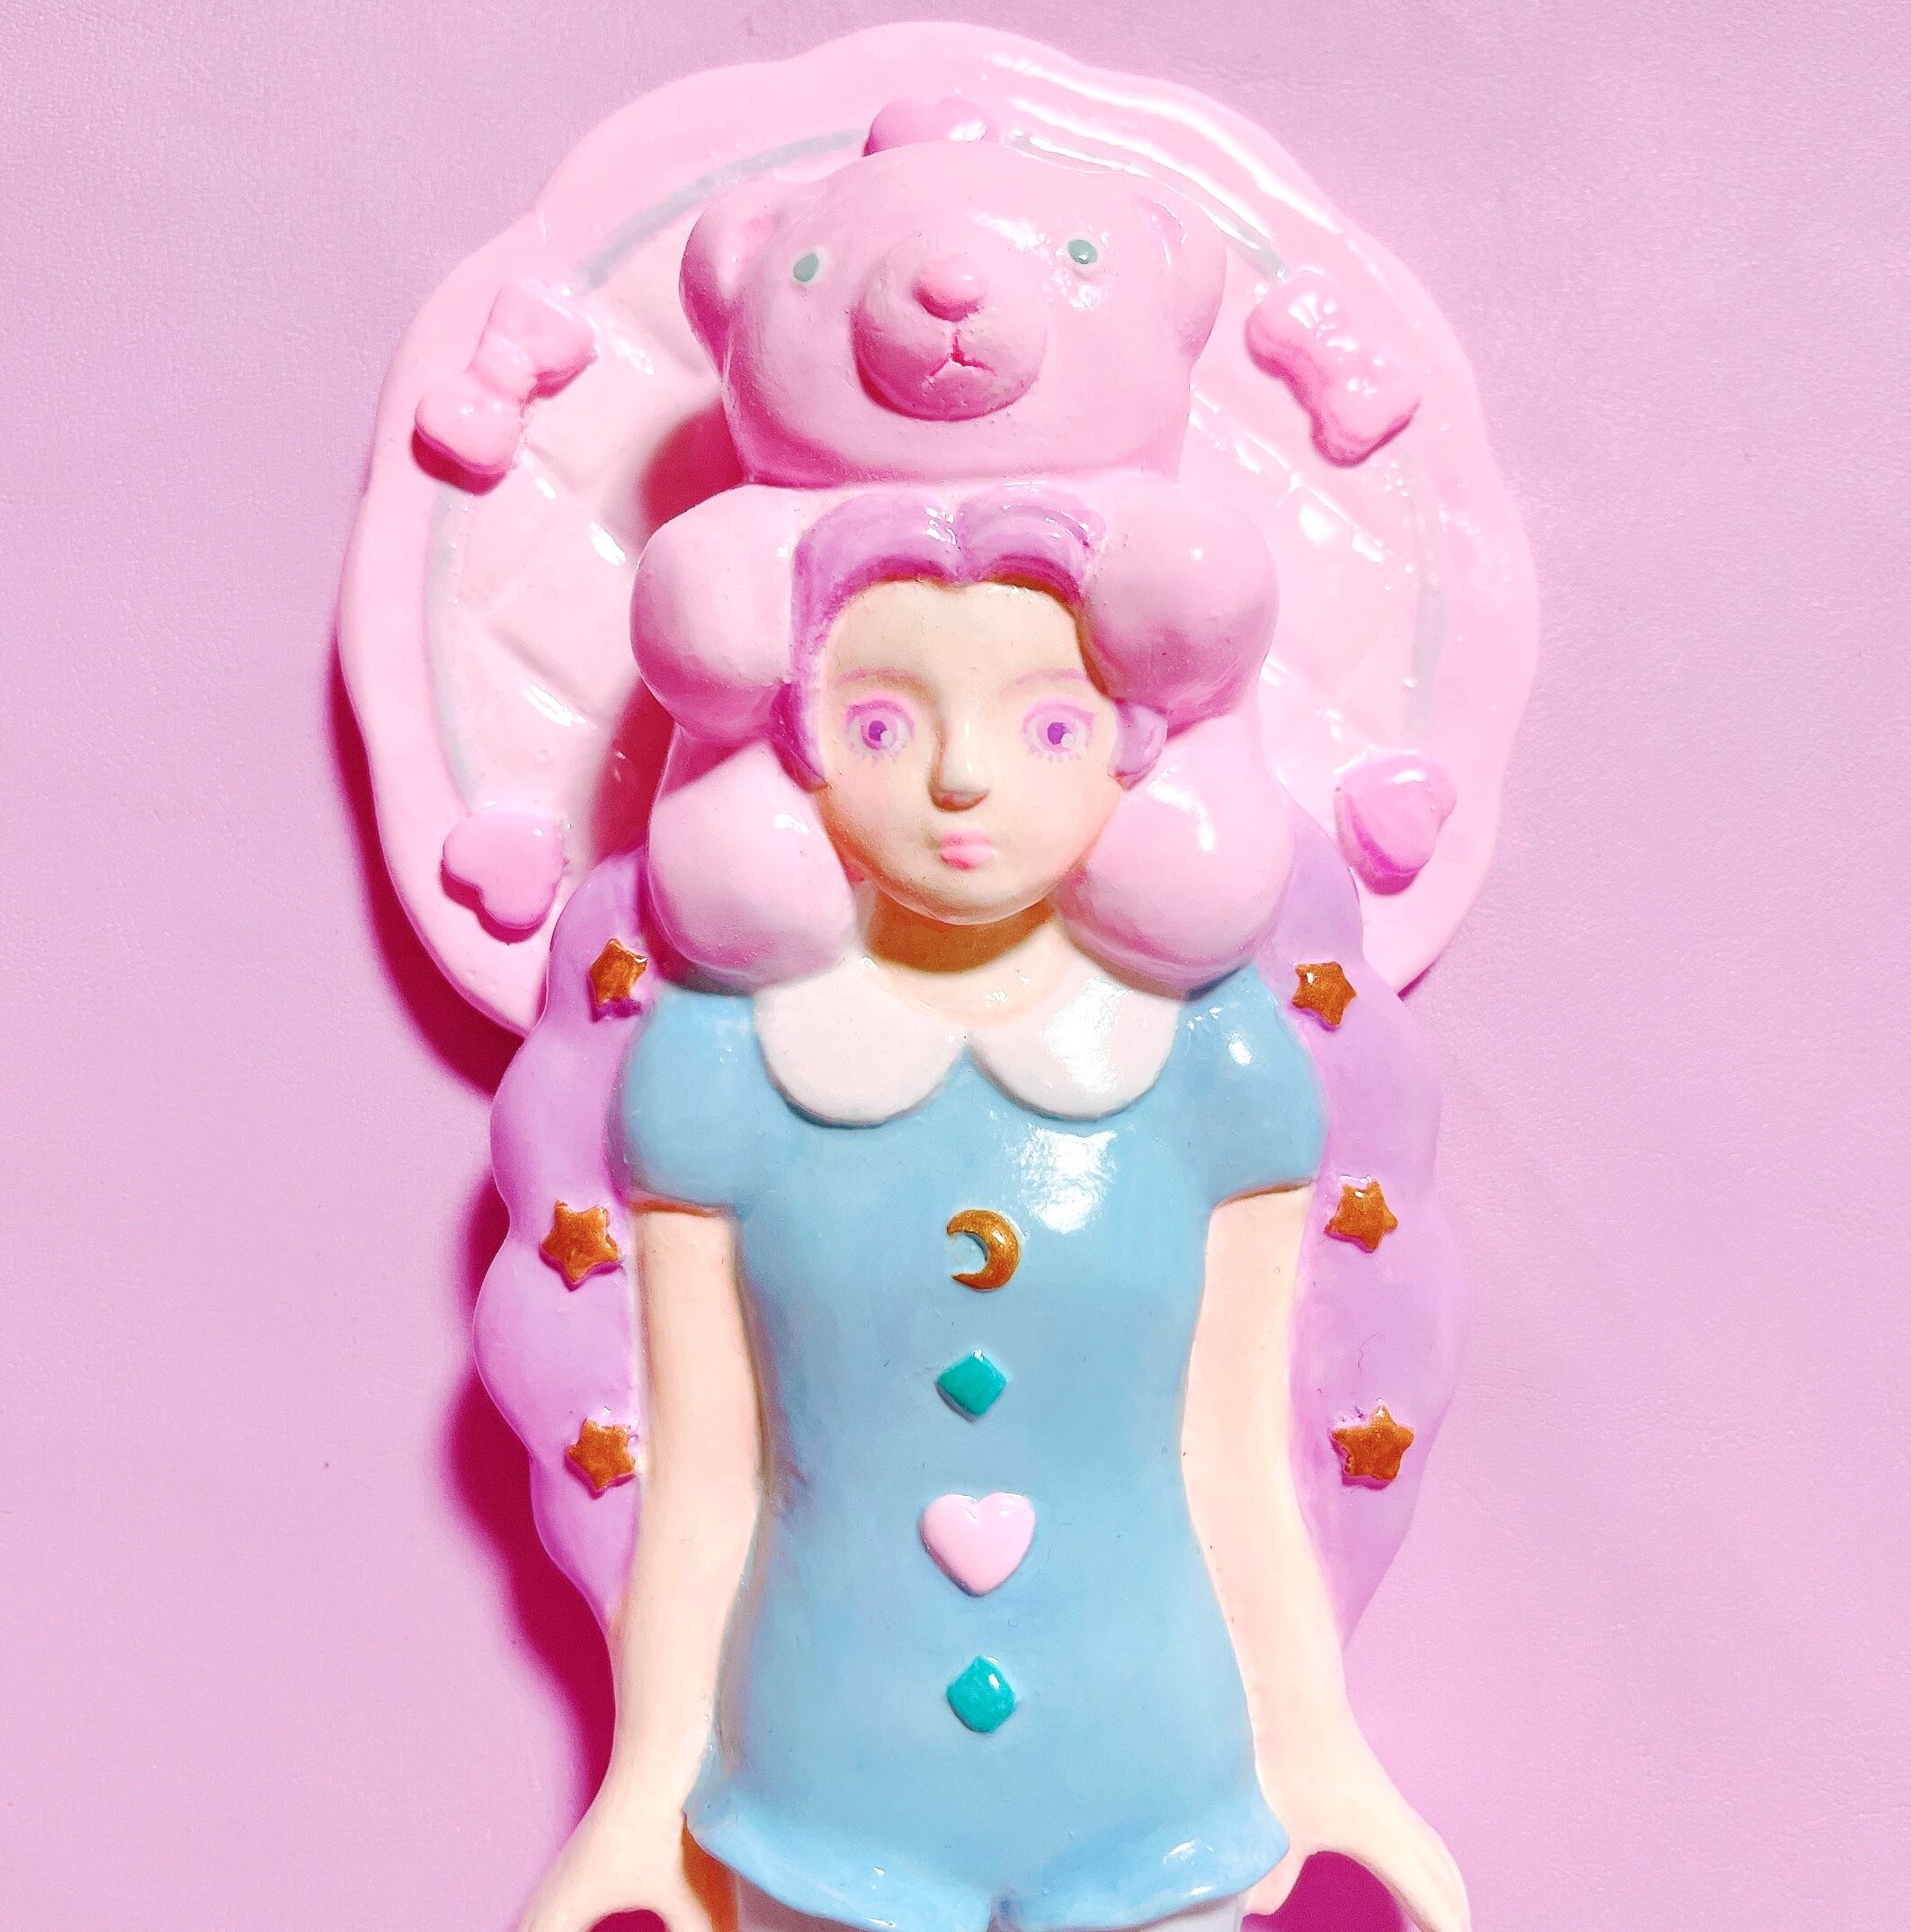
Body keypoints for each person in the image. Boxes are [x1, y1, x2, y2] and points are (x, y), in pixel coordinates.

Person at [513, 487, 1468, 1932]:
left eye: (1049, 727)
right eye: (880, 724)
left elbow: (1238, 1454)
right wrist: (647, 1783)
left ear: (1133, 751)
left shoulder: (1215, 1064)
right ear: (796, 750)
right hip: (822, 1789)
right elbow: (701, 1482)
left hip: (1153, 1775)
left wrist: (1316, 1745)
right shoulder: (718, 1069)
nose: (962, 778)